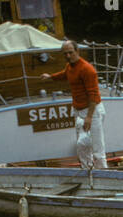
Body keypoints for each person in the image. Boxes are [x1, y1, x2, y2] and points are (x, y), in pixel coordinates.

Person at [41, 39, 105, 171]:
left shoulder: (87, 70)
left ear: (77, 51)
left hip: (91, 111)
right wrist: (50, 77)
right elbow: (64, 75)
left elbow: (93, 95)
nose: (68, 56)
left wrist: (89, 117)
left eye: (70, 52)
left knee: (97, 148)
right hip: (79, 111)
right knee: (82, 145)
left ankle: (104, 173)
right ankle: (87, 172)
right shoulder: (70, 66)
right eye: (65, 54)